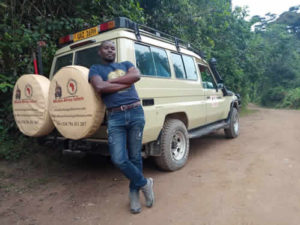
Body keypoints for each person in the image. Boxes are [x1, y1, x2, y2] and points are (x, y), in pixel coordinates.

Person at [88, 40, 154, 214]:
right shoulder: (95, 69)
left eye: (112, 48)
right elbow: (99, 86)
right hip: (115, 116)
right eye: (106, 48)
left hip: (135, 112)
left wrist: (111, 84)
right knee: (118, 158)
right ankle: (145, 183)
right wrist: (126, 82)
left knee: (135, 157)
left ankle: (134, 194)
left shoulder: (126, 64)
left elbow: (136, 76)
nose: (110, 50)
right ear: (99, 52)